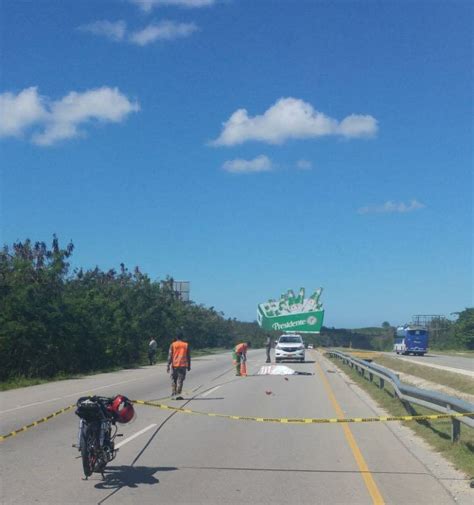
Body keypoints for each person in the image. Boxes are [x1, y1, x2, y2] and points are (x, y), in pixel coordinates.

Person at [167, 333, 191, 399]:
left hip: (174, 365)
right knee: (180, 380)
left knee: (173, 379)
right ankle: (178, 395)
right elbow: (188, 356)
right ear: (182, 337)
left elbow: (170, 355)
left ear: (176, 337)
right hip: (183, 365)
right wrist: (189, 365)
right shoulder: (186, 345)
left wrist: (168, 365)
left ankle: (173, 393)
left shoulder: (172, 344)